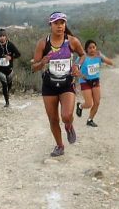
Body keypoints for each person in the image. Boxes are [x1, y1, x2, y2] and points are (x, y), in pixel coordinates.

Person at [32, 12, 85, 157]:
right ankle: (60, 145)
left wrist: (77, 66)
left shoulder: (72, 41)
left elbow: (83, 55)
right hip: (49, 85)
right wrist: (42, 62)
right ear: (51, 25)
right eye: (56, 23)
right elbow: (34, 67)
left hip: (67, 84)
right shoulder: (43, 43)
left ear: (65, 25)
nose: (60, 26)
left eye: (62, 23)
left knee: (66, 115)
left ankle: (68, 126)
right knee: (53, 119)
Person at [75, 39, 113, 127]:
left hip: (95, 81)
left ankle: (90, 120)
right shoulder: (82, 57)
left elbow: (111, 63)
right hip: (85, 82)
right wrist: (81, 75)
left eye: (94, 47)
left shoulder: (98, 56)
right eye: (90, 48)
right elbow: (74, 69)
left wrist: (102, 56)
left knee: (97, 102)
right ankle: (80, 106)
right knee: (88, 104)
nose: (92, 49)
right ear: (86, 49)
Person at [0, 28, 21, 107]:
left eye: (3, 36)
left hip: (9, 69)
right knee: (4, 84)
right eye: (0, 36)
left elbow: (18, 54)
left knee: (9, 84)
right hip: (0, 69)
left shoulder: (10, 45)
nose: (2, 38)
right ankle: (7, 102)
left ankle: (7, 93)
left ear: (6, 36)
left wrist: (11, 57)